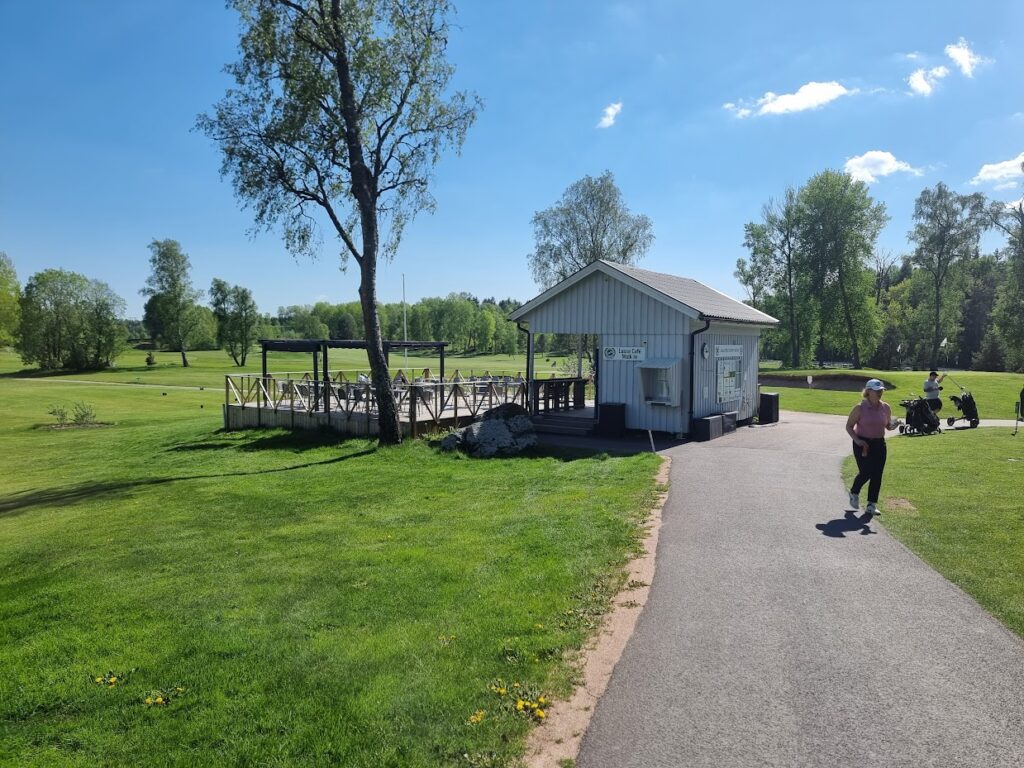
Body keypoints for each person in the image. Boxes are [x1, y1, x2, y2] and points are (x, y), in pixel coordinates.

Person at [845, 378, 900, 517]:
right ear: (868, 391)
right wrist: (857, 440)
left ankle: (871, 505)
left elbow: (887, 426)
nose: (880, 393)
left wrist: (895, 424)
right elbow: (849, 426)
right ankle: (854, 492)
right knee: (866, 472)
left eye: (881, 390)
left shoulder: (885, 407)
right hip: (862, 444)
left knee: (877, 474)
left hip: (879, 444)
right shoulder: (859, 408)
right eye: (876, 391)